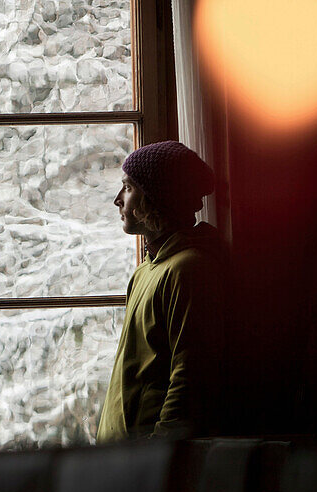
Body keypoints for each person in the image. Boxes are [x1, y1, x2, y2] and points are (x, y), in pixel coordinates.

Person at [96, 140, 225, 442]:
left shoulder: (188, 271)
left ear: (154, 199)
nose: (118, 199)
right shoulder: (146, 269)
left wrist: (160, 452)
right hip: (125, 458)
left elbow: (189, 374)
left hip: (149, 458)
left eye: (128, 188)